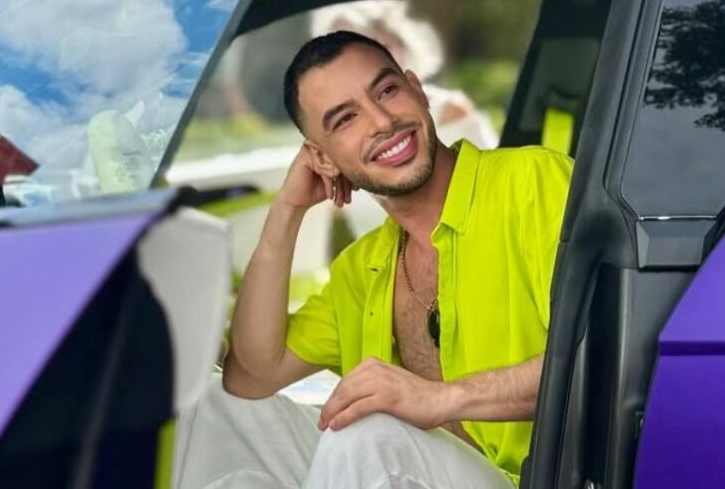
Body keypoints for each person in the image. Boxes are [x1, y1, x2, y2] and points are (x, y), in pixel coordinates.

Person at [174, 31, 573, 488]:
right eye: (346, 119)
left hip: (528, 479)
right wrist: (287, 212)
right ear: (323, 159)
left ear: (417, 91)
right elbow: (250, 377)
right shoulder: (363, 266)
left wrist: (441, 398)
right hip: (420, 470)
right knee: (210, 406)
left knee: (369, 429)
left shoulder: (531, 182)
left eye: (386, 91)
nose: (382, 122)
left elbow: (598, 355)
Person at [312, 0, 498, 237]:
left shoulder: (451, 110)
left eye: (375, 44)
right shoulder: (339, 142)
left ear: (400, 45)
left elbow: (488, 193)